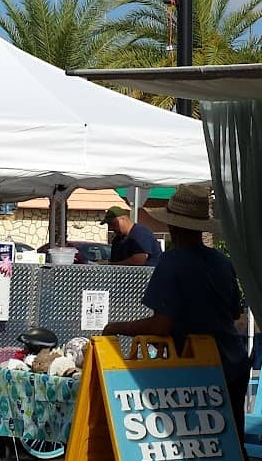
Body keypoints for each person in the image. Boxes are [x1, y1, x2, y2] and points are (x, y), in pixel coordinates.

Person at [103, 185, 251, 441]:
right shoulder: (222, 261)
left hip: (194, 370)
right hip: (232, 363)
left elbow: (161, 325)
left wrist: (116, 327)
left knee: (190, 450)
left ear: (173, 226)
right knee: (232, 451)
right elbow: (235, 312)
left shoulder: (172, 261)